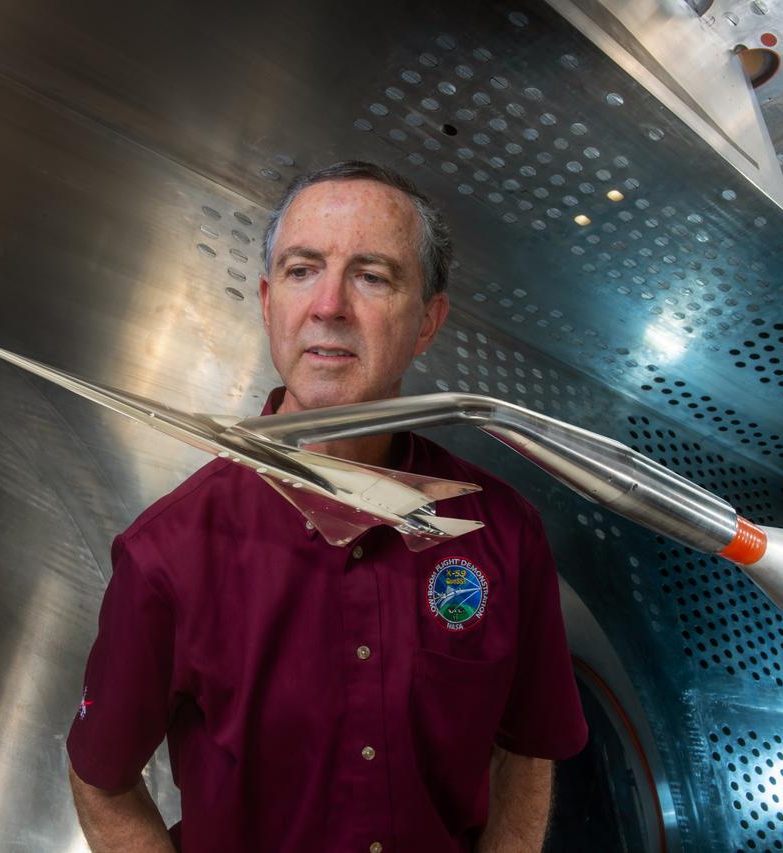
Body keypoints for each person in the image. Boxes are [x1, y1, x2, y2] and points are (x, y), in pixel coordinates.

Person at [66, 161, 587, 852]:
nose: (329, 305)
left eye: (372, 275)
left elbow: (530, 747)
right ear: (267, 301)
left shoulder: (504, 533)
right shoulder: (169, 551)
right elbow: (101, 779)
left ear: (427, 320)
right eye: (302, 269)